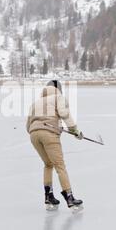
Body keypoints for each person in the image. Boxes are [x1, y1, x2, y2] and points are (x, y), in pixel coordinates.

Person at [26, 80, 84, 210]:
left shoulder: (35, 103)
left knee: (48, 164)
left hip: (34, 136)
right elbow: (64, 114)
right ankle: (69, 197)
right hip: (48, 134)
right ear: (59, 89)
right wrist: (75, 130)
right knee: (60, 166)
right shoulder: (58, 97)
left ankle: (49, 196)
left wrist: (43, 128)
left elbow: (28, 125)